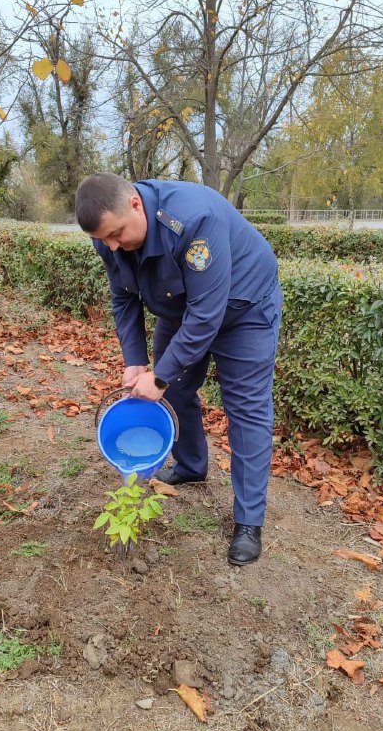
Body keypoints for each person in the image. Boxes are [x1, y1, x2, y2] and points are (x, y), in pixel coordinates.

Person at [75, 174, 282, 565]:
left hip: (245, 307)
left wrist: (158, 376)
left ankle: (249, 521)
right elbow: (123, 298)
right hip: (181, 307)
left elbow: (207, 316)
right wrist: (135, 361)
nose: (113, 246)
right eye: (106, 240)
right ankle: (190, 465)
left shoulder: (193, 219)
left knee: (247, 410)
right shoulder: (107, 233)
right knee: (175, 392)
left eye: (118, 234)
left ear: (135, 204)